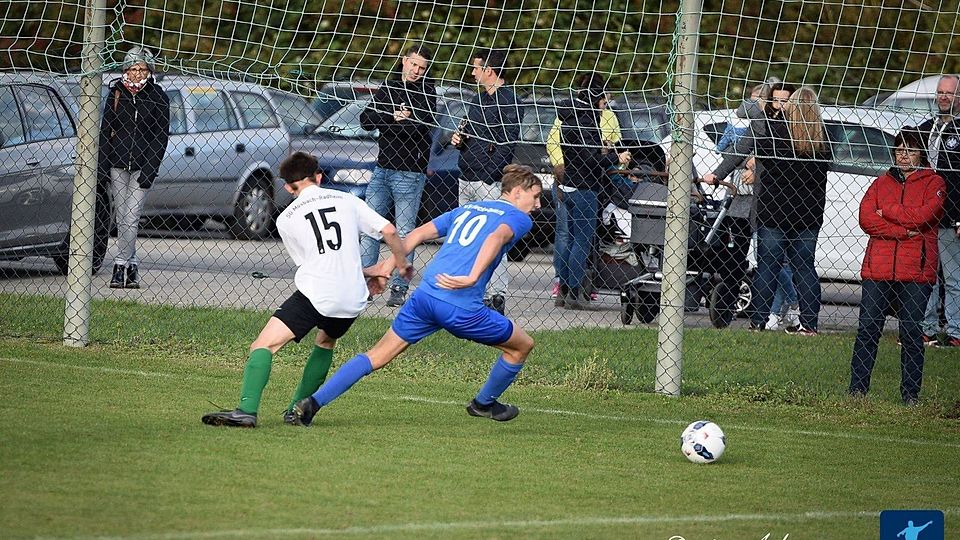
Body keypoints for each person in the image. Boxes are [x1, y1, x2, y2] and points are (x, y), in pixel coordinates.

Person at [290, 164, 543, 426]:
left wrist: (387, 268)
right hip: (461, 307)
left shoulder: (469, 208)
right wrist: (473, 276)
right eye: (535, 197)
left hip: (425, 298)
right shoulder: (519, 218)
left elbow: (417, 234)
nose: (536, 205)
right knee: (522, 345)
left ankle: (313, 403)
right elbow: (496, 237)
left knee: (376, 355)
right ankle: (483, 403)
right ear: (515, 192)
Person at [201, 152, 410, 428]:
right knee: (325, 342)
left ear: (288, 187)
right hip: (352, 298)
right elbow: (390, 231)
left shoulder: (286, 218)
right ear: (319, 177)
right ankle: (297, 410)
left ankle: (246, 411)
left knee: (263, 345)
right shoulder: (348, 201)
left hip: (317, 293)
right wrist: (399, 266)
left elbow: (315, 264)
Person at [708, 83, 830, 335]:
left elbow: (740, 149)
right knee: (805, 268)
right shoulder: (822, 139)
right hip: (808, 215)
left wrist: (718, 174)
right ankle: (810, 324)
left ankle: (758, 322)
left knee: (768, 266)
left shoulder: (773, 133)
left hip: (774, 212)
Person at [849, 128, 945, 405]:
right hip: (878, 269)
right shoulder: (880, 183)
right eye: (900, 149)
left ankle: (910, 395)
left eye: (910, 150)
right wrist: (903, 231)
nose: (903, 155)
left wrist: (887, 211)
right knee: (868, 330)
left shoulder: (934, 183)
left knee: (911, 334)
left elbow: (924, 216)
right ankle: (857, 392)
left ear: (921, 154)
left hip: (916, 270)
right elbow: (866, 218)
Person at [359, 44, 437, 307]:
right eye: (413, 64)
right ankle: (366, 283)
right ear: (404, 61)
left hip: (409, 173)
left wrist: (404, 122)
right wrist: (392, 119)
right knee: (370, 228)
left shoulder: (427, 92)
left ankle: (398, 287)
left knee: (405, 232)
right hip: (382, 169)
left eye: (421, 68)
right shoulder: (389, 88)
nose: (416, 71)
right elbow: (366, 120)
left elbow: (420, 129)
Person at [450, 48, 522, 315]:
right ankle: (471, 292)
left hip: (486, 181)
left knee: (493, 239)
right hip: (466, 176)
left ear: (489, 70)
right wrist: (459, 140)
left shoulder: (509, 101)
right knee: (468, 240)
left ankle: (496, 295)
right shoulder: (478, 100)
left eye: (476, 68)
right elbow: (468, 130)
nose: (472, 72)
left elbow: (508, 142)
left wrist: (492, 172)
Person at [552, 73, 632, 310]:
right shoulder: (587, 121)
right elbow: (590, 159)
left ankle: (563, 290)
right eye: (604, 101)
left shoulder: (569, 119)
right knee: (582, 241)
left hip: (566, 185)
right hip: (584, 188)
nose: (605, 106)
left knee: (566, 240)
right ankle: (575, 291)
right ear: (596, 99)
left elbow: (579, 154)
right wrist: (614, 157)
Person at [99, 46, 170, 289]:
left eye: (141, 68)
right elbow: (106, 131)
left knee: (131, 216)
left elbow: (160, 136)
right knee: (122, 217)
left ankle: (120, 265)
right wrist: (102, 167)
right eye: (132, 68)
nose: (137, 73)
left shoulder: (158, 96)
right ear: (125, 69)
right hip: (117, 165)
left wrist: (150, 169)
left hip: (142, 167)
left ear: (149, 70)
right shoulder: (116, 93)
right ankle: (133, 265)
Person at [919, 74, 960, 347]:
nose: (944, 96)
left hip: (951, 217)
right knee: (927, 276)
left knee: (954, 277)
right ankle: (927, 328)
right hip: (926, 217)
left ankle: (956, 332)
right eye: (940, 92)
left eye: (950, 92)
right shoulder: (927, 128)